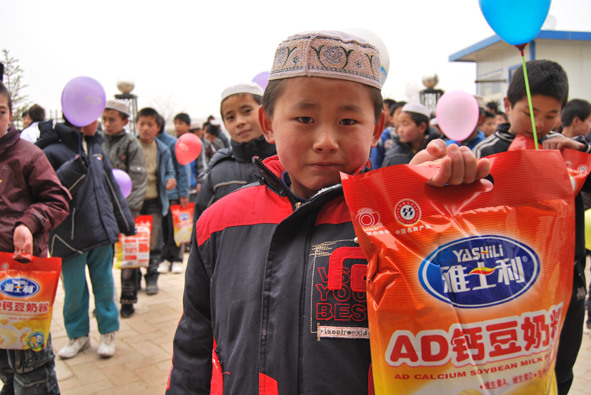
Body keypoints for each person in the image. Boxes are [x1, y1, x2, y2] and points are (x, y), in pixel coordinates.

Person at [166, 30, 490, 394]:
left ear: (376, 128)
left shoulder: (397, 220)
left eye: (348, 121)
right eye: (305, 119)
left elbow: (456, 332)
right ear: (268, 123)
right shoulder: (219, 221)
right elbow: (195, 336)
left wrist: (440, 216)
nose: (325, 141)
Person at [473, 59, 589, 395]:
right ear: (508, 105)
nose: (539, 124)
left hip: (567, 280)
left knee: (561, 368)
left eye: (551, 116)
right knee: (511, 375)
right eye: (529, 112)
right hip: (506, 284)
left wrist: (583, 150)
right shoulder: (483, 154)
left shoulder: (567, 152)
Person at [35, 107, 136, 360]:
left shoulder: (97, 150)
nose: (100, 123)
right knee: (74, 291)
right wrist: (75, 166)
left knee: (104, 286)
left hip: (100, 233)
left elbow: (112, 188)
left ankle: (107, 332)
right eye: (95, 118)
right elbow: (50, 192)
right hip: (67, 237)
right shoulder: (51, 152)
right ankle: (77, 336)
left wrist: (125, 222)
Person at [0, 82, 69, 394]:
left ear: (11, 114)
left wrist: (27, 223)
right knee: (6, 367)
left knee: (32, 370)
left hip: (21, 278)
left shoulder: (28, 155)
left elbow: (59, 201)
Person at [192, 82, 276, 224]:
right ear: (224, 124)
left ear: (266, 113)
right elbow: (201, 227)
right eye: (230, 117)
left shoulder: (288, 162)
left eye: (247, 111)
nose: (239, 122)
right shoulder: (218, 173)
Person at [100, 99, 148, 318]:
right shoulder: (97, 142)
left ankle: (128, 299)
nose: (107, 124)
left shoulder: (132, 145)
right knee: (103, 258)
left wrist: (129, 212)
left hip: (127, 210)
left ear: (125, 121)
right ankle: (104, 301)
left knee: (129, 256)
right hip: (101, 211)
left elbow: (138, 181)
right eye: (104, 119)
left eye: (112, 119)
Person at [126, 108, 176, 303]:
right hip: (133, 203)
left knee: (154, 242)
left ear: (157, 127)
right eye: (142, 124)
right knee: (133, 242)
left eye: (150, 124)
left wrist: (170, 180)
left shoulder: (162, 149)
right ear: (136, 125)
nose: (145, 128)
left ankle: (152, 278)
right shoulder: (130, 146)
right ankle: (134, 278)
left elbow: (170, 172)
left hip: (155, 201)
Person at [157, 114, 190, 275]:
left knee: (176, 229)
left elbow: (183, 169)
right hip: (156, 196)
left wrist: (183, 192)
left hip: (173, 194)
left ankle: (177, 259)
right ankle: (164, 258)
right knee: (162, 230)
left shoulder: (172, 144)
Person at [381, 102, 442, 167]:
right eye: (399, 125)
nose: (400, 130)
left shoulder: (438, 152)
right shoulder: (393, 156)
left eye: (405, 124)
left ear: (422, 127)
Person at [370, 100, 405, 169]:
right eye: (399, 113)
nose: (403, 116)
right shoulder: (382, 139)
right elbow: (375, 164)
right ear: (391, 117)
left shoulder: (411, 138)